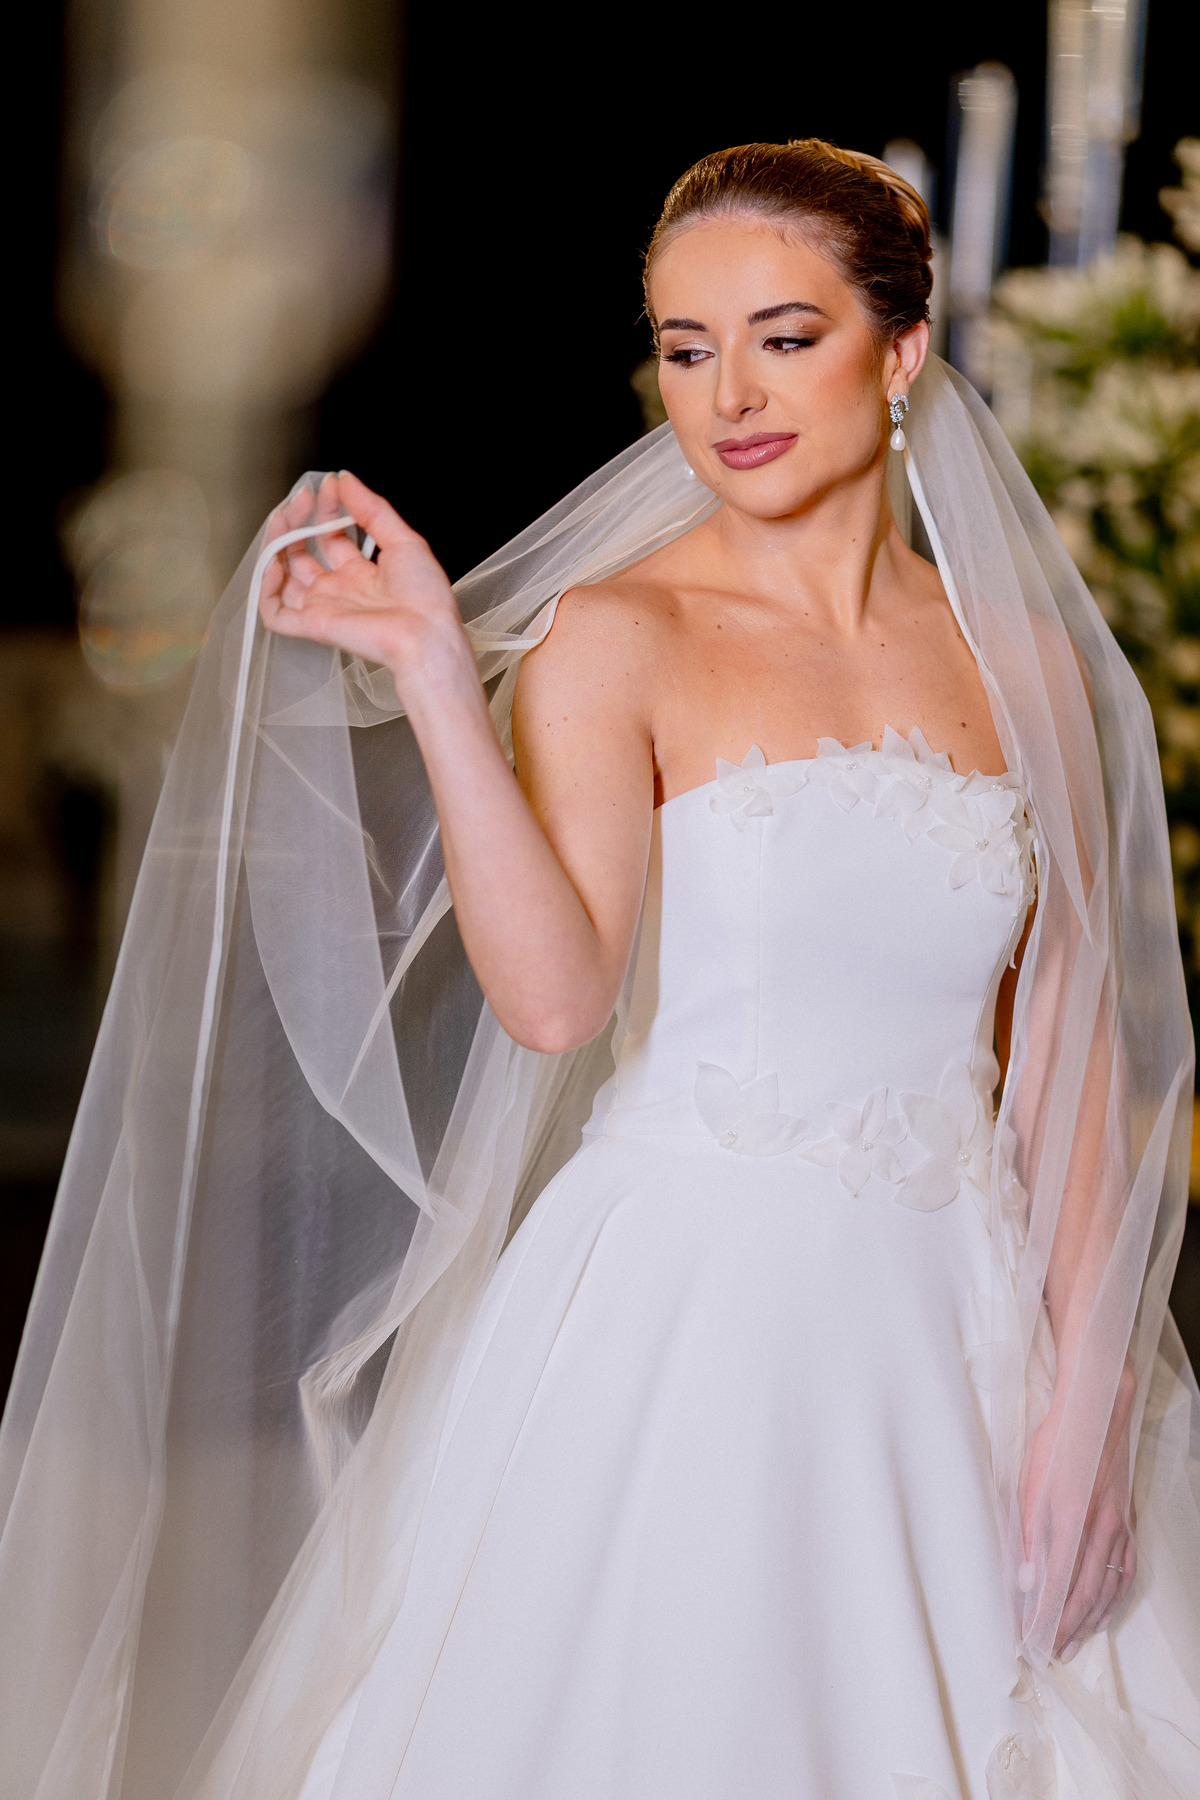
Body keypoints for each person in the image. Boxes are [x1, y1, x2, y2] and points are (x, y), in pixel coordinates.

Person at [2, 141, 1198, 1800]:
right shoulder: (616, 634)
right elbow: (557, 999)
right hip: (693, 1306)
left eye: (785, 336)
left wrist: (1092, 1384)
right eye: (687, 348)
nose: (730, 395)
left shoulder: (1028, 664)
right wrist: (437, 672)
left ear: (902, 351)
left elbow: (1065, 1032)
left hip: (963, 1324)